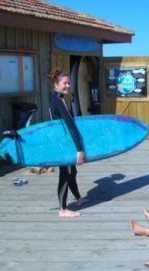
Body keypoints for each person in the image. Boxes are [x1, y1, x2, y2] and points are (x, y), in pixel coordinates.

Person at [49, 67, 89, 218]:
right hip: (63, 143)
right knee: (65, 174)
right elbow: (70, 126)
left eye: (68, 83)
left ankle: (78, 199)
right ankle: (63, 209)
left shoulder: (55, 97)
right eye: (65, 83)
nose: (68, 86)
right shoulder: (58, 101)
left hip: (63, 141)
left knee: (72, 172)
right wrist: (79, 149)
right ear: (56, 84)